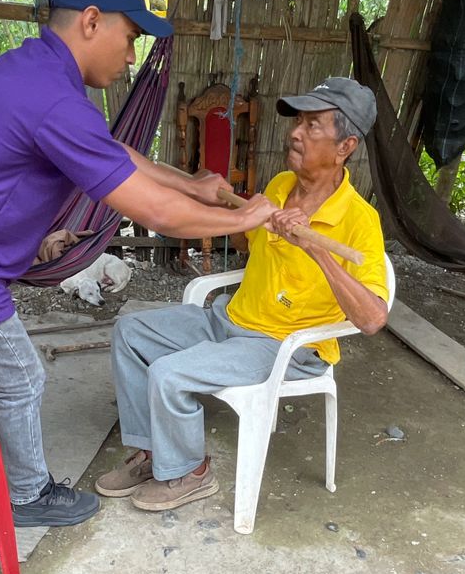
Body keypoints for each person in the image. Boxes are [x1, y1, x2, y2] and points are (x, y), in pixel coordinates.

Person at [0, 0, 275, 527]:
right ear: (91, 20)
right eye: (129, 38)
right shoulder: (52, 99)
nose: (130, 56)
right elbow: (158, 213)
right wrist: (245, 219)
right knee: (22, 378)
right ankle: (29, 496)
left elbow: (112, 152)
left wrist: (192, 184)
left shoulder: (33, 71)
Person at [96, 77, 389, 512]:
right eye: (298, 122)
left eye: (312, 126)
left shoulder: (360, 221)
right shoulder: (280, 185)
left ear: (345, 146)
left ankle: (191, 473)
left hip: (283, 346)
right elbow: (245, 237)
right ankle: (154, 452)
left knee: (168, 373)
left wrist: (314, 249)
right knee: (130, 332)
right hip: (229, 319)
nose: (295, 133)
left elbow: (372, 319)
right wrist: (229, 207)